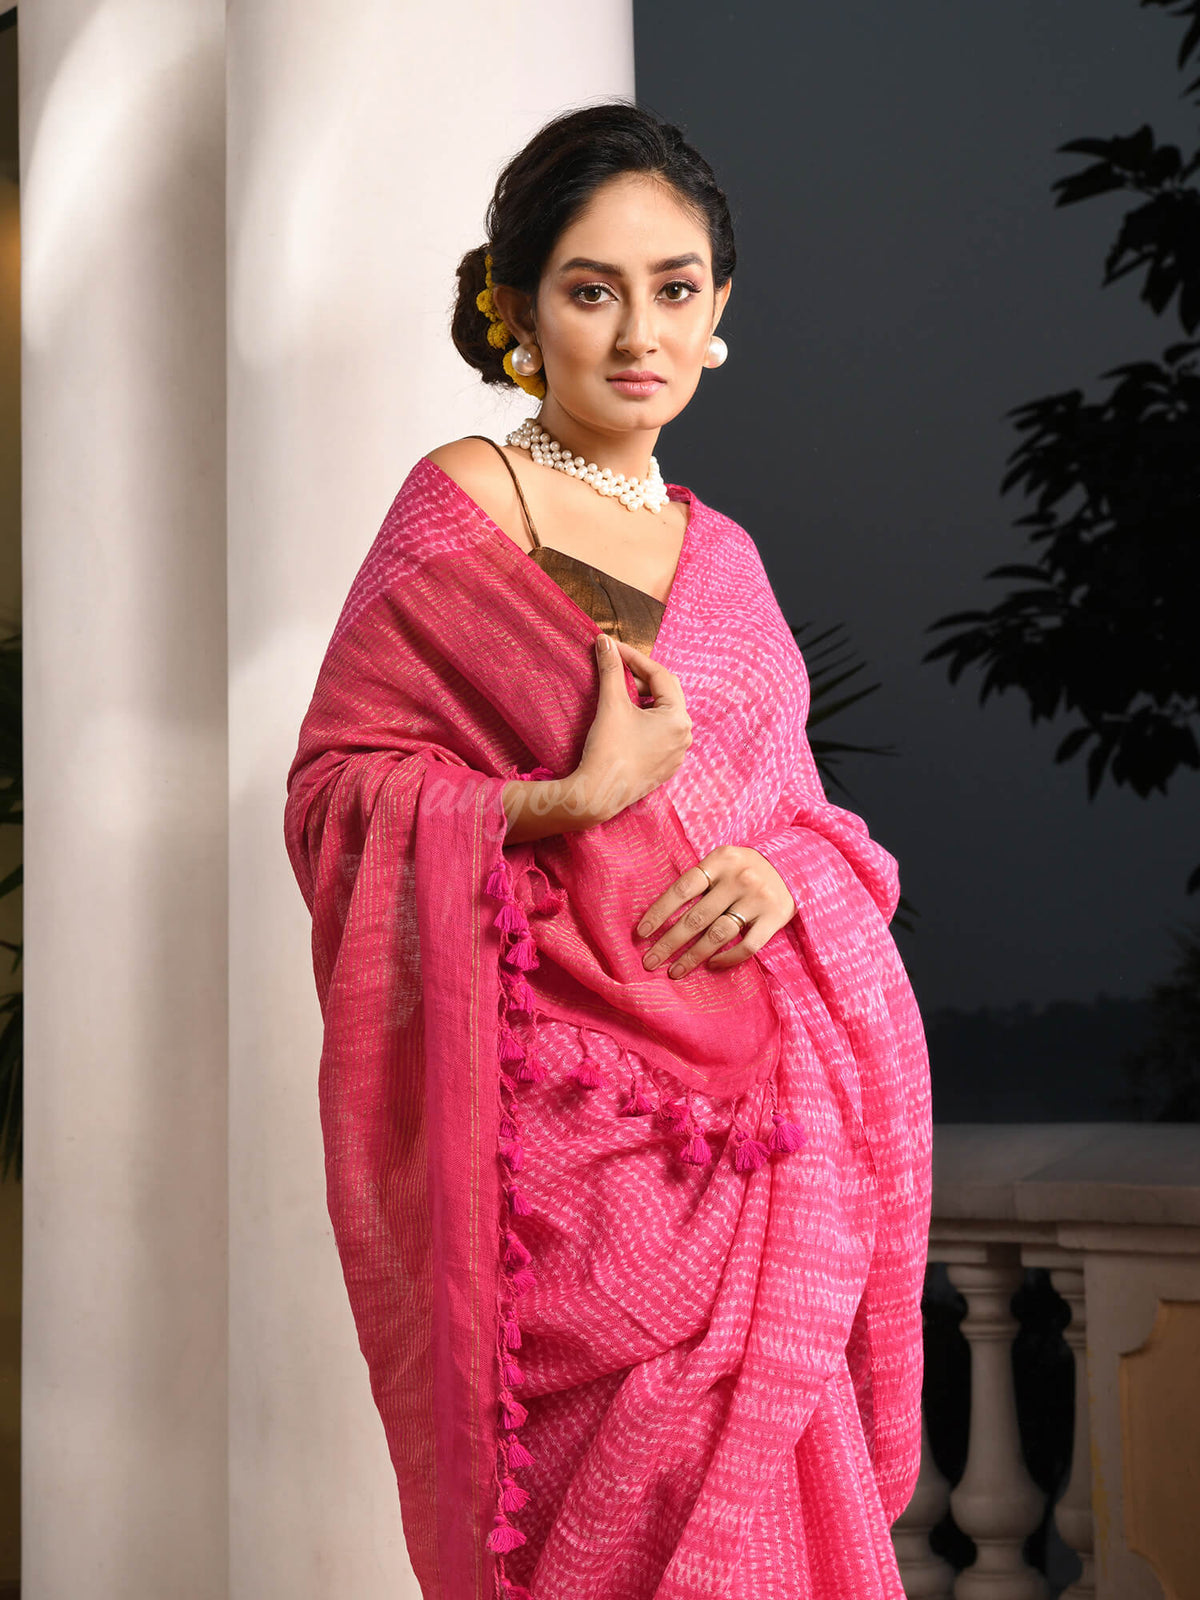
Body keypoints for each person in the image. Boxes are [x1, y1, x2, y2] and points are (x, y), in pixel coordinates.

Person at [283, 99, 932, 1600]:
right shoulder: (467, 506)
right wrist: (565, 802)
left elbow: (802, 817)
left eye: (675, 288)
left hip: (769, 1143)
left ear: (718, 312)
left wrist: (791, 875)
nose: (640, 333)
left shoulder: (731, 557)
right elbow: (338, 794)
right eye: (592, 291)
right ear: (519, 314)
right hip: (574, 1157)